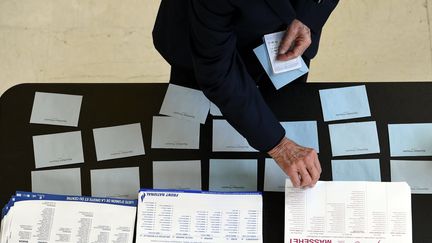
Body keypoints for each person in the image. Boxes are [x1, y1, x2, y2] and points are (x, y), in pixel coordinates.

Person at [153, 0, 339, 188]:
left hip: (285, 37)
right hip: (204, 36)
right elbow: (218, 72)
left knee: (284, 107)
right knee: (196, 137)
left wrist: (307, 19)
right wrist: (279, 146)